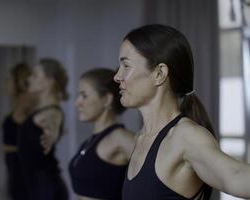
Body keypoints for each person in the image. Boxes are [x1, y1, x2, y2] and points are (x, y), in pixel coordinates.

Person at [114, 24, 250, 200]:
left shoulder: (184, 136)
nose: (117, 76)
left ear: (159, 74)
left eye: (126, 66)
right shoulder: (141, 138)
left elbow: (235, 176)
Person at [69, 68, 136, 200]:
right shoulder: (91, 140)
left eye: (84, 95)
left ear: (106, 99)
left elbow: (157, 175)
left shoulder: (119, 137)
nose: (77, 103)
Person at [17, 58, 69, 200]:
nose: (29, 78)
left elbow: (52, 123)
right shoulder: (41, 110)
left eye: (35, 75)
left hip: (46, 189)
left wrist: (51, 136)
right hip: (38, 186)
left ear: (49, 81)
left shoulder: (52, 112)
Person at [2, 62, 36, 200]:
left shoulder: (24, 112)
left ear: (19, 83)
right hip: (15, 174)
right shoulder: (17, 110)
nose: (6, 83)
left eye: (9, 79)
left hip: (23, 176)